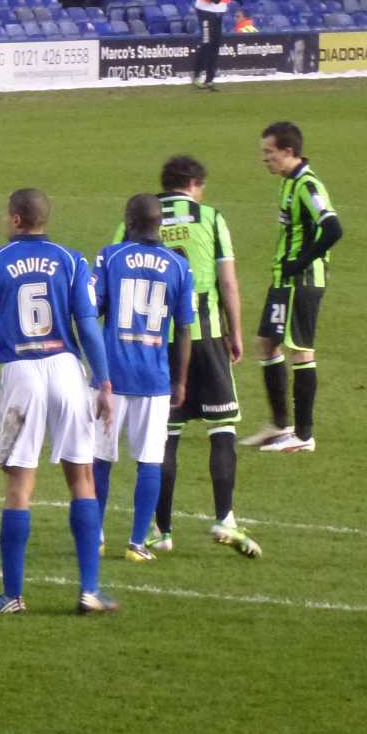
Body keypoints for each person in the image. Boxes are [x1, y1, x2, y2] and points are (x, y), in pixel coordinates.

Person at [0, 188, 116, 615]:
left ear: (17, 219)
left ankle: (13, 595)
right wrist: (104, 381)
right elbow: (88, 327)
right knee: (83, 480)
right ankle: (89, 590)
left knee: (20, 488)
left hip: (21, 373)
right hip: (66, 369)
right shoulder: (72, 260)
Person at [116, 157, 257, 556]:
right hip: (206, 334)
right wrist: (237, 332)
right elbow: (227, 281)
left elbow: (115, 268)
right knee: (222, 428)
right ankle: (224, 519)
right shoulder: (211, 217)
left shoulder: (138, 214)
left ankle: (162, 530)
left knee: (167, 436)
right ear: (194, 184)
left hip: (157, 341)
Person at [90, 194, 197, 564]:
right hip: (155, 377)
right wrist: (180, 381)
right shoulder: (180, 266)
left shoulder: (110, 256)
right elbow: (184, 329)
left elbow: (93, 309)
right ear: (160, 224)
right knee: (150, 460)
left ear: (128, 220)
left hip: (111, 375)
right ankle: (136, 543)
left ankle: (95, 536)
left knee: (99, 459)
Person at [244, 122, 342, 455]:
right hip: (284, 280)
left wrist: (300, 263)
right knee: (266, 343)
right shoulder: (289, 182)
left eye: (269, 153)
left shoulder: (308, 185)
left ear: (288, 151)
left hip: (302, 281)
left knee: (301, 350)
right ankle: (279, 424)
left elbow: (332, 228)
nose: (264, 159)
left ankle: (303, 435)